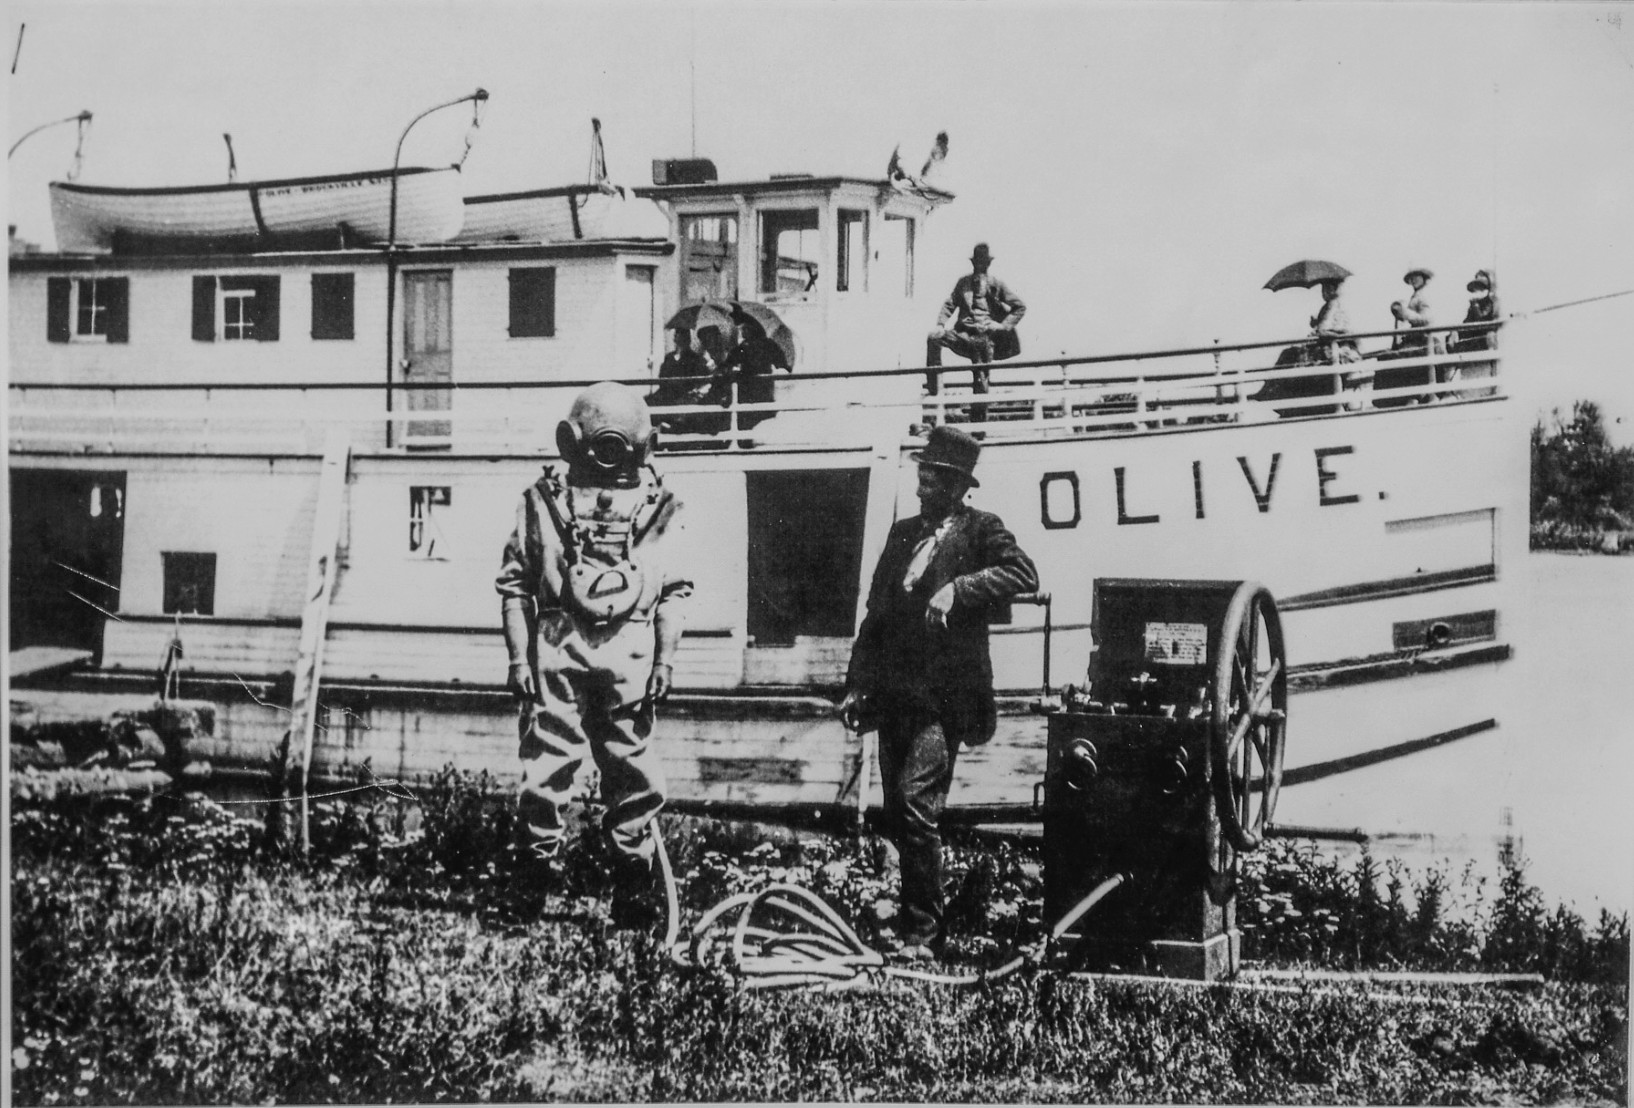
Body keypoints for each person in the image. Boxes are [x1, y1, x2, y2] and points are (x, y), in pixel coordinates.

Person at [495, 381, 693, 928]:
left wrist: (664, 660)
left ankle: (633, 889)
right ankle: (531, 881)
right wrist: (519, 658)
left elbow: (674, 589)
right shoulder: (540, 503)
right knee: (546, 765)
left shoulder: (661, 506)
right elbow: (515, 585)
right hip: (558, 643)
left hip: (630, 648)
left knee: (631, 766)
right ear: (572, 442)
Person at [837, 425, 1039, 960]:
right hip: (893, 696)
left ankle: (924, 936)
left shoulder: (980, 530)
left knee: (915, 805)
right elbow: (874, 616)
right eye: (924, 474)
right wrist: (857, 684)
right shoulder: (902, 532)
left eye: (935, 477)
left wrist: (959, 588)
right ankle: (914, 923)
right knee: (899, 810)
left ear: (958, 486)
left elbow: (1022, 572)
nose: (924, 485)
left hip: (945, 699)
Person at [926, 243, 1026, 421]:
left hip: (985, 338)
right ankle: (934, 386)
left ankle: (978, 428)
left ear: (988, 264)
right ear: (973, 263)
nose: (980, 266)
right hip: (964, 334)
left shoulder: (996, 285)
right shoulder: (963, 283)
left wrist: (1002, 326)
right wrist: (941, 324)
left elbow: (1019, 307)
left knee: (981, 380)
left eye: (983, 263)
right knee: (934, 338)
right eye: (977, 262)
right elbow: (950, 303)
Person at [1258, 277, 1362, 417]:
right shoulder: (1334, 306)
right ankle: (1277, 394)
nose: (1323, 292)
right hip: (1336, 347)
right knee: (1291, 354)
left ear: (1331, 289)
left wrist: (1318, 328)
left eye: (1325, 289)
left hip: (1334, 349)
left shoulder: (1332, 305)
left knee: (1289, 355)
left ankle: (1273, 393)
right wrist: (1316, 323)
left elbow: (1324, 329)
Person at [714, 313, 790, 431]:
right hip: (758, 388)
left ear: (752, 329)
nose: (742, 332)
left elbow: (729, 362)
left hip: (753, 387)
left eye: (744, 328)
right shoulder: (756, 344)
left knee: (748, 417)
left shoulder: (754, 345)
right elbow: (782, 363)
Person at [1374, 267, 1437, 408]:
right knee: (1388, 356)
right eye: (1411, 277)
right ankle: (1393, 398)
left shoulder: (1424, 296)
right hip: (1414, 339)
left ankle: (1413, 395)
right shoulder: (1415, 296)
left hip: (1425, 339)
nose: (1413, 279)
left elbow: (1426, 319)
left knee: (1403, 356)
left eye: (1417, 276)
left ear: (1424, 278)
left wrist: (1406, 314)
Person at [1448, 269, 1500, 398]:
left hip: (1482, 344)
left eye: (1479, 288)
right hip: (1470, 345)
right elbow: (1467, 322)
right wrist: (1454, 331)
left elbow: (1482, 320)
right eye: (1474, 289)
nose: (1476, 292)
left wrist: (1475, 305)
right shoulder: (1473, 306)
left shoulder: (1491, 302)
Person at [650, 327, 714, 408]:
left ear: (688, 339)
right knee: (650, 401)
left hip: (685, 393)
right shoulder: (669, 357)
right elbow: (662, 376)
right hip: (668, 392)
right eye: (676, 334)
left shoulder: (694, 358)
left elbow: (701, 378)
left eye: (682, 334)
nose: (677, 336)